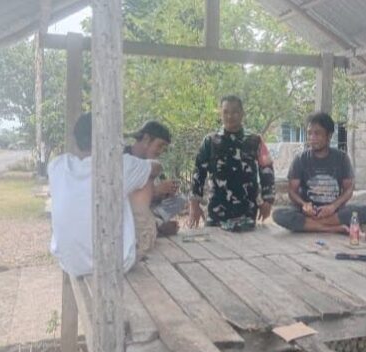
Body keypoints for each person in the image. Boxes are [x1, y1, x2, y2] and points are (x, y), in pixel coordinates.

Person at [48, 112, 161, 277]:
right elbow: (156, 168)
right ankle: (147, 234)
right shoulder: (120, 165)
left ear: (77, 141)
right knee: (143, 181)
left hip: (71, 263)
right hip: (114, 264)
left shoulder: (56, 166)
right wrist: (150, 156)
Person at [273, 112, 366, 233]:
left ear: (329, 135)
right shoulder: (300, 159)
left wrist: (333, 206)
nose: (312, 138)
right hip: (308, 212)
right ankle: (331, 228)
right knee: (279, 214)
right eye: (309, 133)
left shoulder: (342, 158)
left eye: (317, 133)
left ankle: (313, 225)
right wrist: (304, 205)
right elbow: (292, 192)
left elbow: (348, 190)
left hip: (334, 212)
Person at [188, 95, 275, 229]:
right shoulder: (210, 141)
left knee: (249, 242)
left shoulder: (255, 141)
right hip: (217, 210)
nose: (230, 116)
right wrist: (194, 204)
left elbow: (267, 170)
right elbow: (199, 172)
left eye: (235, 112)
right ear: (220, 113)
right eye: (226, 112)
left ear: (242, 113)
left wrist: (268, 200)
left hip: (246, 211)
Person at [125, 120, 181, 236]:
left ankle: (156, 224)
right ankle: (155, 226)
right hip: (127, 219)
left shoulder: (153, 166)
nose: (161, 151)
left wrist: (165, 193)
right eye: (160, 145)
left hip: (146, 215)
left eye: (164, 148)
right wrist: (155, 191)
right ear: (146, 139)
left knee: (180, 200)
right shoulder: (124, 160)